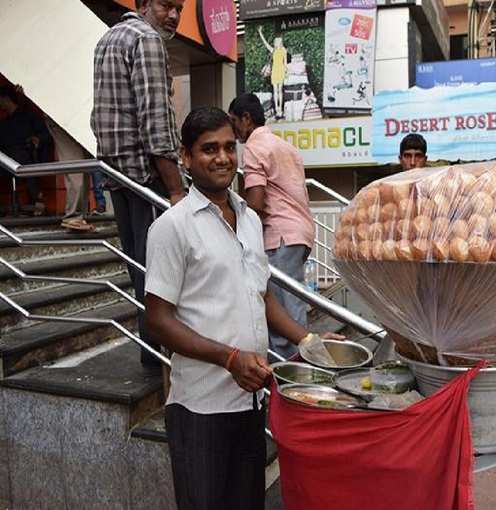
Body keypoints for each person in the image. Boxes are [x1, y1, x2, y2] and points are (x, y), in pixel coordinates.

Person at [145, 107, 341, 509]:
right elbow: (158, 321)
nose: (222, 158)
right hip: (200, 408)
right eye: (208, 149)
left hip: (250, 402)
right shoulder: (172, 226)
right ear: (185, 157)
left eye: (228, 148)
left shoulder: (250, 219)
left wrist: (307, 339)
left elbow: (262, 295)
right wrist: (229, 357)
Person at [91, 0, 186, 367]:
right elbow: (155, 121)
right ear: (145, 4)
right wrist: (176, 188)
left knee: (140, 271)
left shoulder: (108, 39)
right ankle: (163, 355)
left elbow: (102, 113)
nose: (174, 15)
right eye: (167, 5)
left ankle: (151, 352)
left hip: (117, 176)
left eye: (179, 8)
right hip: (147, 178)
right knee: (161, 275)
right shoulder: (145, 39)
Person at [228, 93, 315, 360]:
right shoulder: (283, 146)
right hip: (300, 232)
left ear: (246, 118)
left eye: (233, 122)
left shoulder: (254, 146)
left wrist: (232, 225)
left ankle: (289, 380)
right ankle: (304, 370)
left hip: (279, 236)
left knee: (282, 315)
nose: (232, 131)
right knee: (294, 306)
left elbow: (255, 201)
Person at [0, 85, 50, 215]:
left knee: (22, 158)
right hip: (5, 161)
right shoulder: (4, 123)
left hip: (25, 158)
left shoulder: (28, 117)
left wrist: (36, 139)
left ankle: (38, 198)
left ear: (6, 99)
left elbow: (45, 135)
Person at [46, 119, 95, 232]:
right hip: (63, 117)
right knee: (76, 168)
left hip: (76, 117)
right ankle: (73, 217)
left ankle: (79, 216)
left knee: (85, 169)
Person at [258, 26, 287, 119]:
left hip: (281, 70)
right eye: (276, 42)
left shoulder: (283, 50)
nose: (277, 43)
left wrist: (287, 72)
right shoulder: (273, 50)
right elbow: (265, 43)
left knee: (280, 91)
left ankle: (280, 110)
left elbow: (285, 63)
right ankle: (277, 109)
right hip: (275, 71)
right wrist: (260, 33)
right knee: (275, 91)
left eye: (278, 41)